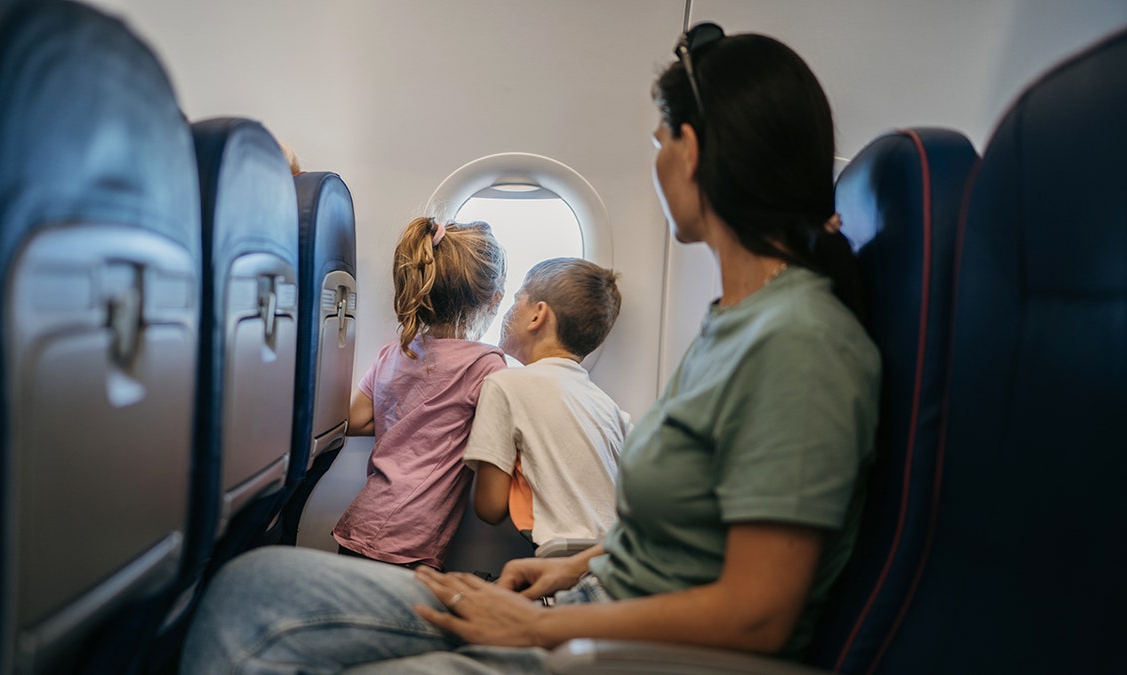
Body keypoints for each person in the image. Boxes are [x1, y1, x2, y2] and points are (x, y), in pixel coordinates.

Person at [180, 26, 880, 674]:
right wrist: (567, 571)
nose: (657, 157)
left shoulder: (800, 343)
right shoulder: (735, 323)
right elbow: (679, 541)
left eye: (660, 138)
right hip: (583, 604)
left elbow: (759, 612)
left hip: (613, 647)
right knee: (249, 587)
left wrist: (537, 627)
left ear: (691, 151)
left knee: (252, 617)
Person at [332, 216, 507, 571]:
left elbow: (355, 419)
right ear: (494, 300)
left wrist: (410, 421)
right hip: (405, 540)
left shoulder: (395, 353)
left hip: (365, 519)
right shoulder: (486, 365)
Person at [465, 257, 630, 548]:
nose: (509, 310)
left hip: (563, 563)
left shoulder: (505, 384)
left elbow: (489, 508)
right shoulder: (612, 411)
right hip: (616, 560)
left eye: (517, 300)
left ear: (537, 315)